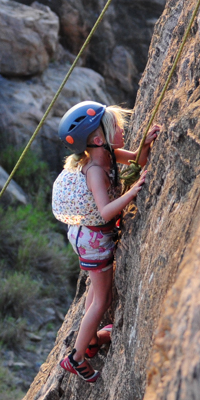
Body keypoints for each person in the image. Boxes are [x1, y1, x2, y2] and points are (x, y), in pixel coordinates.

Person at [51, 101, 160, 382]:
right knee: (102, 300)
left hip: (90, 236)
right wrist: (133, 191)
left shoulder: (107, 155)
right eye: (116, 127)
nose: (122, 130)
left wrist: (145, 146)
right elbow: (106, 211)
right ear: (99, 139)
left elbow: (137, 159)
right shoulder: (95, 171)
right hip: (93, 239)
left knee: (94, 295)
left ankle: (87, 341)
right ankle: (75, 359)